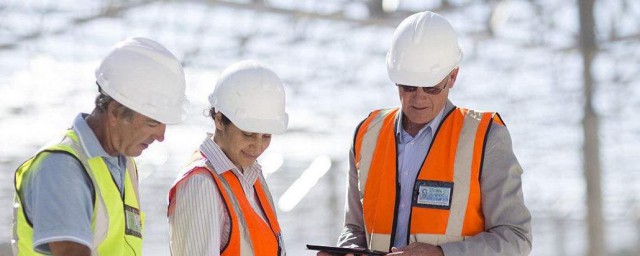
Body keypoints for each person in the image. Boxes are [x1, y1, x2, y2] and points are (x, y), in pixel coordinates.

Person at [318, 11, 531, 256]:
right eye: (408, 86)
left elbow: (516, 238)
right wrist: (350, 250)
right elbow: (355, 227)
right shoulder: (367, 135)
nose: (419, 97)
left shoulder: (486, 138)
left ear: (452, 77)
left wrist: (442, 253)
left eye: (431, 87)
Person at [12, 37, 189, 256]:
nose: (161, 136)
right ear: (115, 112)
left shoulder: (124, 166)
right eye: (153, 123)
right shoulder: (62, 168)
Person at [167, 60, 288, 256]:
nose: (257, 146)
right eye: (248, 134)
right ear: (219, 120)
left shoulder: (252, 174)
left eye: (266, 136)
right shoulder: (201, 184)